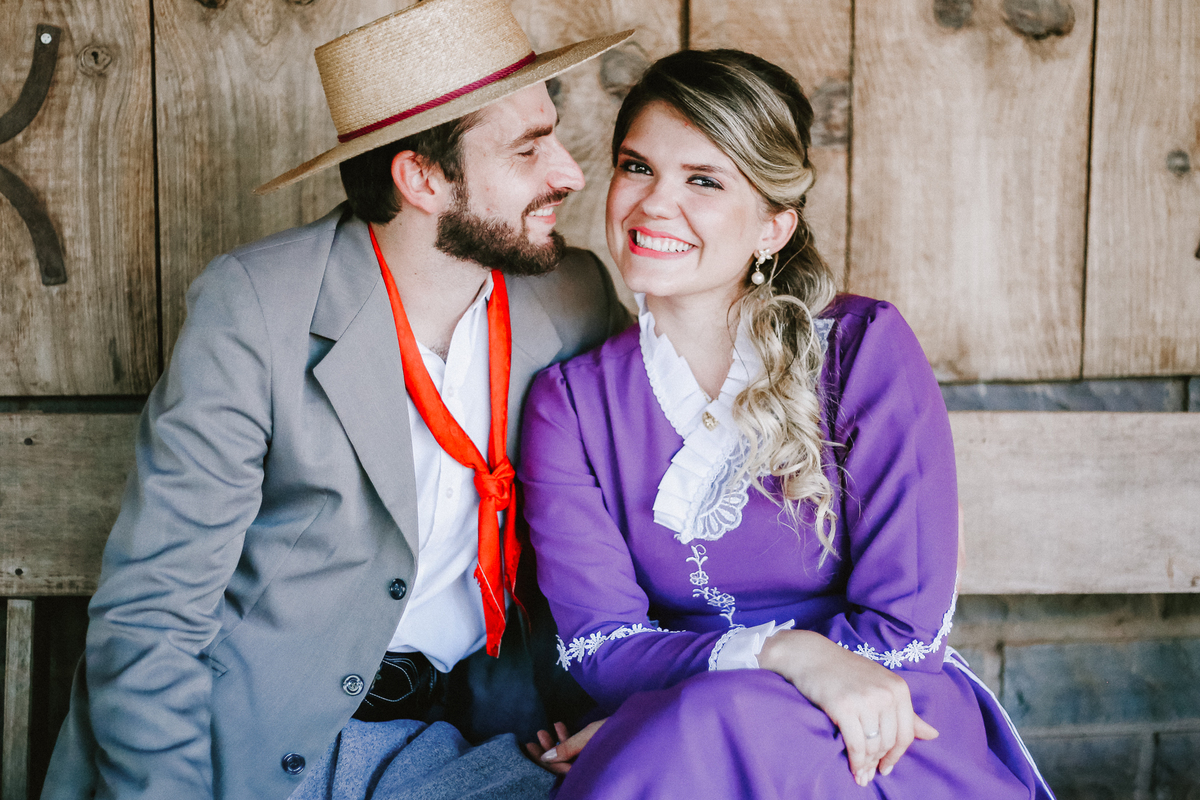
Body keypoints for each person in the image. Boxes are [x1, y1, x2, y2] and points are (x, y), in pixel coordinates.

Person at [40, 2, 632, 799]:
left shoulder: (573, 295)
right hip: (274, 748)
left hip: (487, 740)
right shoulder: (257, 306)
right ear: (422, 178)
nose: (570, 172)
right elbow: (154, 618)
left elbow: (667, 492)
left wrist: (644, 708)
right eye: (530, 149)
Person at [518, 49, 1056, 799]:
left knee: (693, 739)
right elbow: (601, 648)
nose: (650, 205)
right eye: (636, 166)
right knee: (698, 734)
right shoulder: (569, 402)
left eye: (703, 180)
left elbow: (907, 631)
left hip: (880, 717)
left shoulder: (864, 351)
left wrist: (684, 706)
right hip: (682, 727)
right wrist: (778, 656)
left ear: (773, 225)